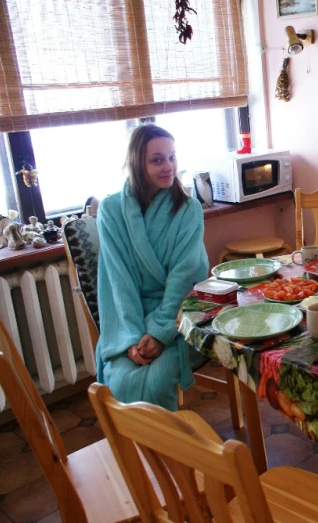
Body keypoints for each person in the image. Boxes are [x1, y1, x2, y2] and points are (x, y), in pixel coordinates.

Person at [96, 124, 208, 410]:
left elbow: (184, 278)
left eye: (172, 157)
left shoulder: (188, 209)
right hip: (127, 321)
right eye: (157, 160)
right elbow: (118, 283)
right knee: (120, 381)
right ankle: (139, 455)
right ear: (137, 163)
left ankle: (165, 454)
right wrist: (133, 339)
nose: (168, 166)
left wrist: (160, 333)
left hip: (179, 317)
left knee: (157, 384)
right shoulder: (110, 212)